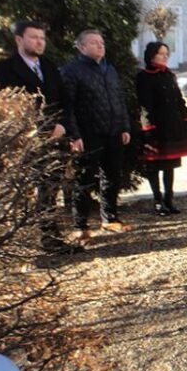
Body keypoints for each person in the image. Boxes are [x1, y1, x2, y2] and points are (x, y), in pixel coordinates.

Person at [0, 21, 76, 253]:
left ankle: (50, 238)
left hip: (53, 139)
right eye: (34, 37)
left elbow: (64, 100)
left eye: (42, 38)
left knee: (49, 189)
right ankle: (18, 243)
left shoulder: (49, 67)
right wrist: (30, 128)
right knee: (22, 192)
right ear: (19, 40)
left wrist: (62, 125)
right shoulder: (5, 69)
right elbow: (1, 105)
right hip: (24, 139)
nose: (39, 42)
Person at [60, 29, 133, 240]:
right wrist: (74, 135)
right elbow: (68, 106)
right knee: (83, 180)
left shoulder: (109, 69)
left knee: (111, 177)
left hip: (113, 132)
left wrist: (125, 127)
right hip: (88, 135)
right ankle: (80, 226)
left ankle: (110, 218)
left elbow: (119, 99)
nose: (100, 46)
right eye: (94, 43)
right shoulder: (72, 71)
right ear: (82, 47)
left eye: (101, 42)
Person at [136, 41, 187, 216]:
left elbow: (179, 100)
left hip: (173, 127)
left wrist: (186, 119)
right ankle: (158, 201)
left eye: (166, 53)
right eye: (161, 53)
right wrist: (148, 128)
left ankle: (169, 199)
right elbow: (145, 104)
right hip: (157, 127)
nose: (165, 56)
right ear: (152, 55)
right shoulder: (144, 76)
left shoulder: (169, 75)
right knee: (154, 165)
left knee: (170, 165)